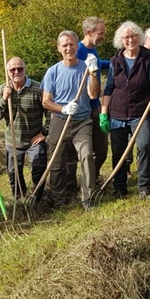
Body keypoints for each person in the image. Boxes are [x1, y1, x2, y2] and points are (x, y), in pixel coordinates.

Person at [101, 22, 150, 200]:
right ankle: (119, 187)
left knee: (145, 146)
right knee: (119, 151)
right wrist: (104, 113)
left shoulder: (149, 58)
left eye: (133, 36)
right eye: (126, 37)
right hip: (117, 114)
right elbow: (109, 88)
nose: (130, 40)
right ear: (121, 40)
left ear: (139, 37)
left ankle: (144, 186)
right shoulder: (115, 61)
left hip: (141, 112)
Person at [42, 31, 101, 210]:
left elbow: (93, 94)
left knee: (86, 156)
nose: (69, 48)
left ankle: (87, 198)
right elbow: (46, 101)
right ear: (59, 48)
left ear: (77, 45)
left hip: (82, 121)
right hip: (60, 120)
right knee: (57, 161)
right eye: (65, 45)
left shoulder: (86, 68)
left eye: (72, 44)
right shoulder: (53, 72)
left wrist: (93, 73)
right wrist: (63, 108)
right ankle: (59, 199)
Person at [0, 56, 48, 199]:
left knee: (39, 167)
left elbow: (50, 113)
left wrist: (44, 133)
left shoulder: (38, 88)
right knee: (14, 173)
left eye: (20, 69)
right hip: (13, 140)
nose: (16, 72)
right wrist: (4, 99)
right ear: (8, 72)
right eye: (13, 69)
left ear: (25, 70)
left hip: (34, 139)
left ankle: (37, 198)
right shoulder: (3, 89)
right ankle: (20, 198)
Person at [76, 16, 109, 181]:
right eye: (100, 33)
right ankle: (86, 182)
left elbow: (96, 62)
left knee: (102, 149)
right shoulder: (78, 51)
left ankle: (93, 177)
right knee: (86, 150)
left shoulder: (92, 50)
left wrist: (113, 63)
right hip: (82, 110)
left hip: (95, 107)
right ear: (89, 32)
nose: (103, 36)